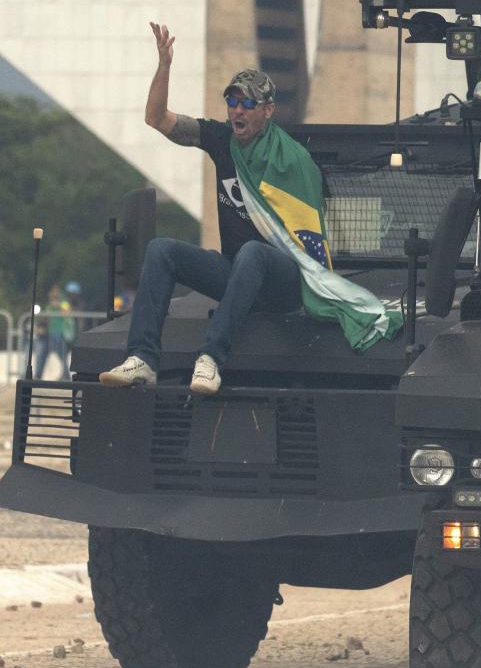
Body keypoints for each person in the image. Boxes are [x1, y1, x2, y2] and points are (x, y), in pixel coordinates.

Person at [100, 23, 399, 395]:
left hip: (285, 280)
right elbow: (157, 120)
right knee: (161, 250)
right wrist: (164, 66)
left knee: (255, 252)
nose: (237, 109)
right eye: (232, 101)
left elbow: (309, 232)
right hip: (238, 275)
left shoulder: (292, 159)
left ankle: (210, 358)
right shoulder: (222, 139)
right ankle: (142, 358)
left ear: (267, 110)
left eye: (247, 103)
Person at [36, 285, 73, 380]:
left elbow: (67, 312)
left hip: (60, 332)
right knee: (51, 355)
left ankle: (66, 375)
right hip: (51, 332)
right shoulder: (50, 304)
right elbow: (47, 317)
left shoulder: (63, 302)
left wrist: (59, 305)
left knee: (62, 355)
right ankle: (39, 375)